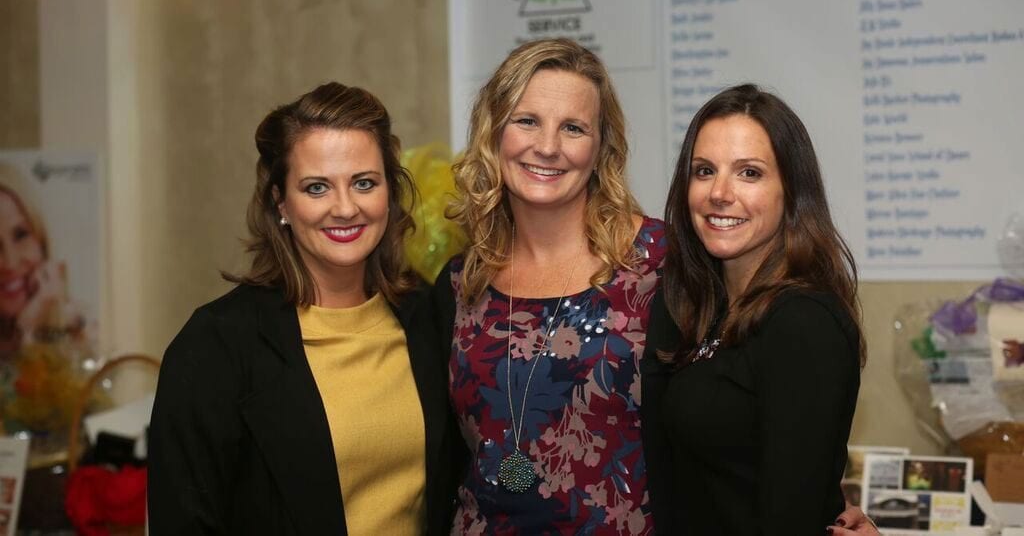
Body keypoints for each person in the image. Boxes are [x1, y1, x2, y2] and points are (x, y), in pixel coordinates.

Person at [148, 83, 459, 535]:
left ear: (389, 193)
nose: (345, 208)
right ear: (281, 203)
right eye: (317, 188)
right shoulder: (216, 346)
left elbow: (475, 470)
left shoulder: (428, 317)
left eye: (364, 183)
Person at [434, 38, 665, 533]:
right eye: (527, 120)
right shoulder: (460, 281)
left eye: (573, 128)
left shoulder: (656, 263)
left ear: (601, 146)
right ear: (493, 131)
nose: (548, 146)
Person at [641, 84, 865, 535]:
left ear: (791, 191)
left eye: (749, 173)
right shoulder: (697, 307)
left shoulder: (803, 323)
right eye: (704, 171)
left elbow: (791, 516)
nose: (720, 193)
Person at [0, 162, 84, 356]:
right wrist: (26, 334)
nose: (11, 262)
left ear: (41, 240)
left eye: (21, 235)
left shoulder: (80, 331)